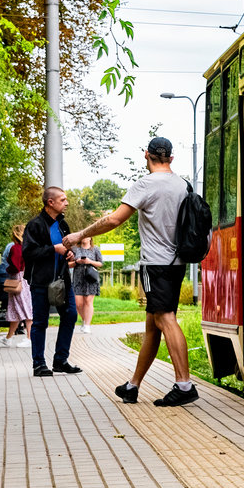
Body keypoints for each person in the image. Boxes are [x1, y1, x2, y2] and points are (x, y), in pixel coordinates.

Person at [63, 137, 194, 406]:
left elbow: (114, 219)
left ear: (146, 155)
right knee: (153, 325)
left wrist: (80, 235)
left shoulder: (145, 184)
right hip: (178, 263)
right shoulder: (184, 185)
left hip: (156, 264)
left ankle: (184, 384)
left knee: (166, 319)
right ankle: (133, 386)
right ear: (171, 158)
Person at [21, 188, 81, 377]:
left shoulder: (63, 225)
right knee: (40, 322)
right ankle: (39, 364)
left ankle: (60, 360)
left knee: (71, 315)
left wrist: (70, 253)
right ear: (50, 203)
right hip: (41, 281)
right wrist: (53, 249)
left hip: (62, 280)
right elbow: (28, 253)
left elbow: (67, 250)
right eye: (63, 200)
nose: (67, 203)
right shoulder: (35, 225)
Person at [0, 223, 31, 348]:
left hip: (17, 279)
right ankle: (8, 338)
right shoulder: (28, 247)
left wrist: (8, 270)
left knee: (25, 308)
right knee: (15, 309)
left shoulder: (16, 248)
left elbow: (15, 266)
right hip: (25, 278)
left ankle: (29, 338)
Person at [72, 235, 105, 333]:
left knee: (88, 301)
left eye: (87, 236)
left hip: (91, 279)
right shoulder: (75, 249)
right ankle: (84, 319)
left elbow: (101, 263)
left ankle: (87, 325)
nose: (85, 238)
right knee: (78, 304)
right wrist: (77, 262)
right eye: (83, 236)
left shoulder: (95, 249)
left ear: (91, 238)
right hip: (78, 278)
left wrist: (89, 261)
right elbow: (68, 263)